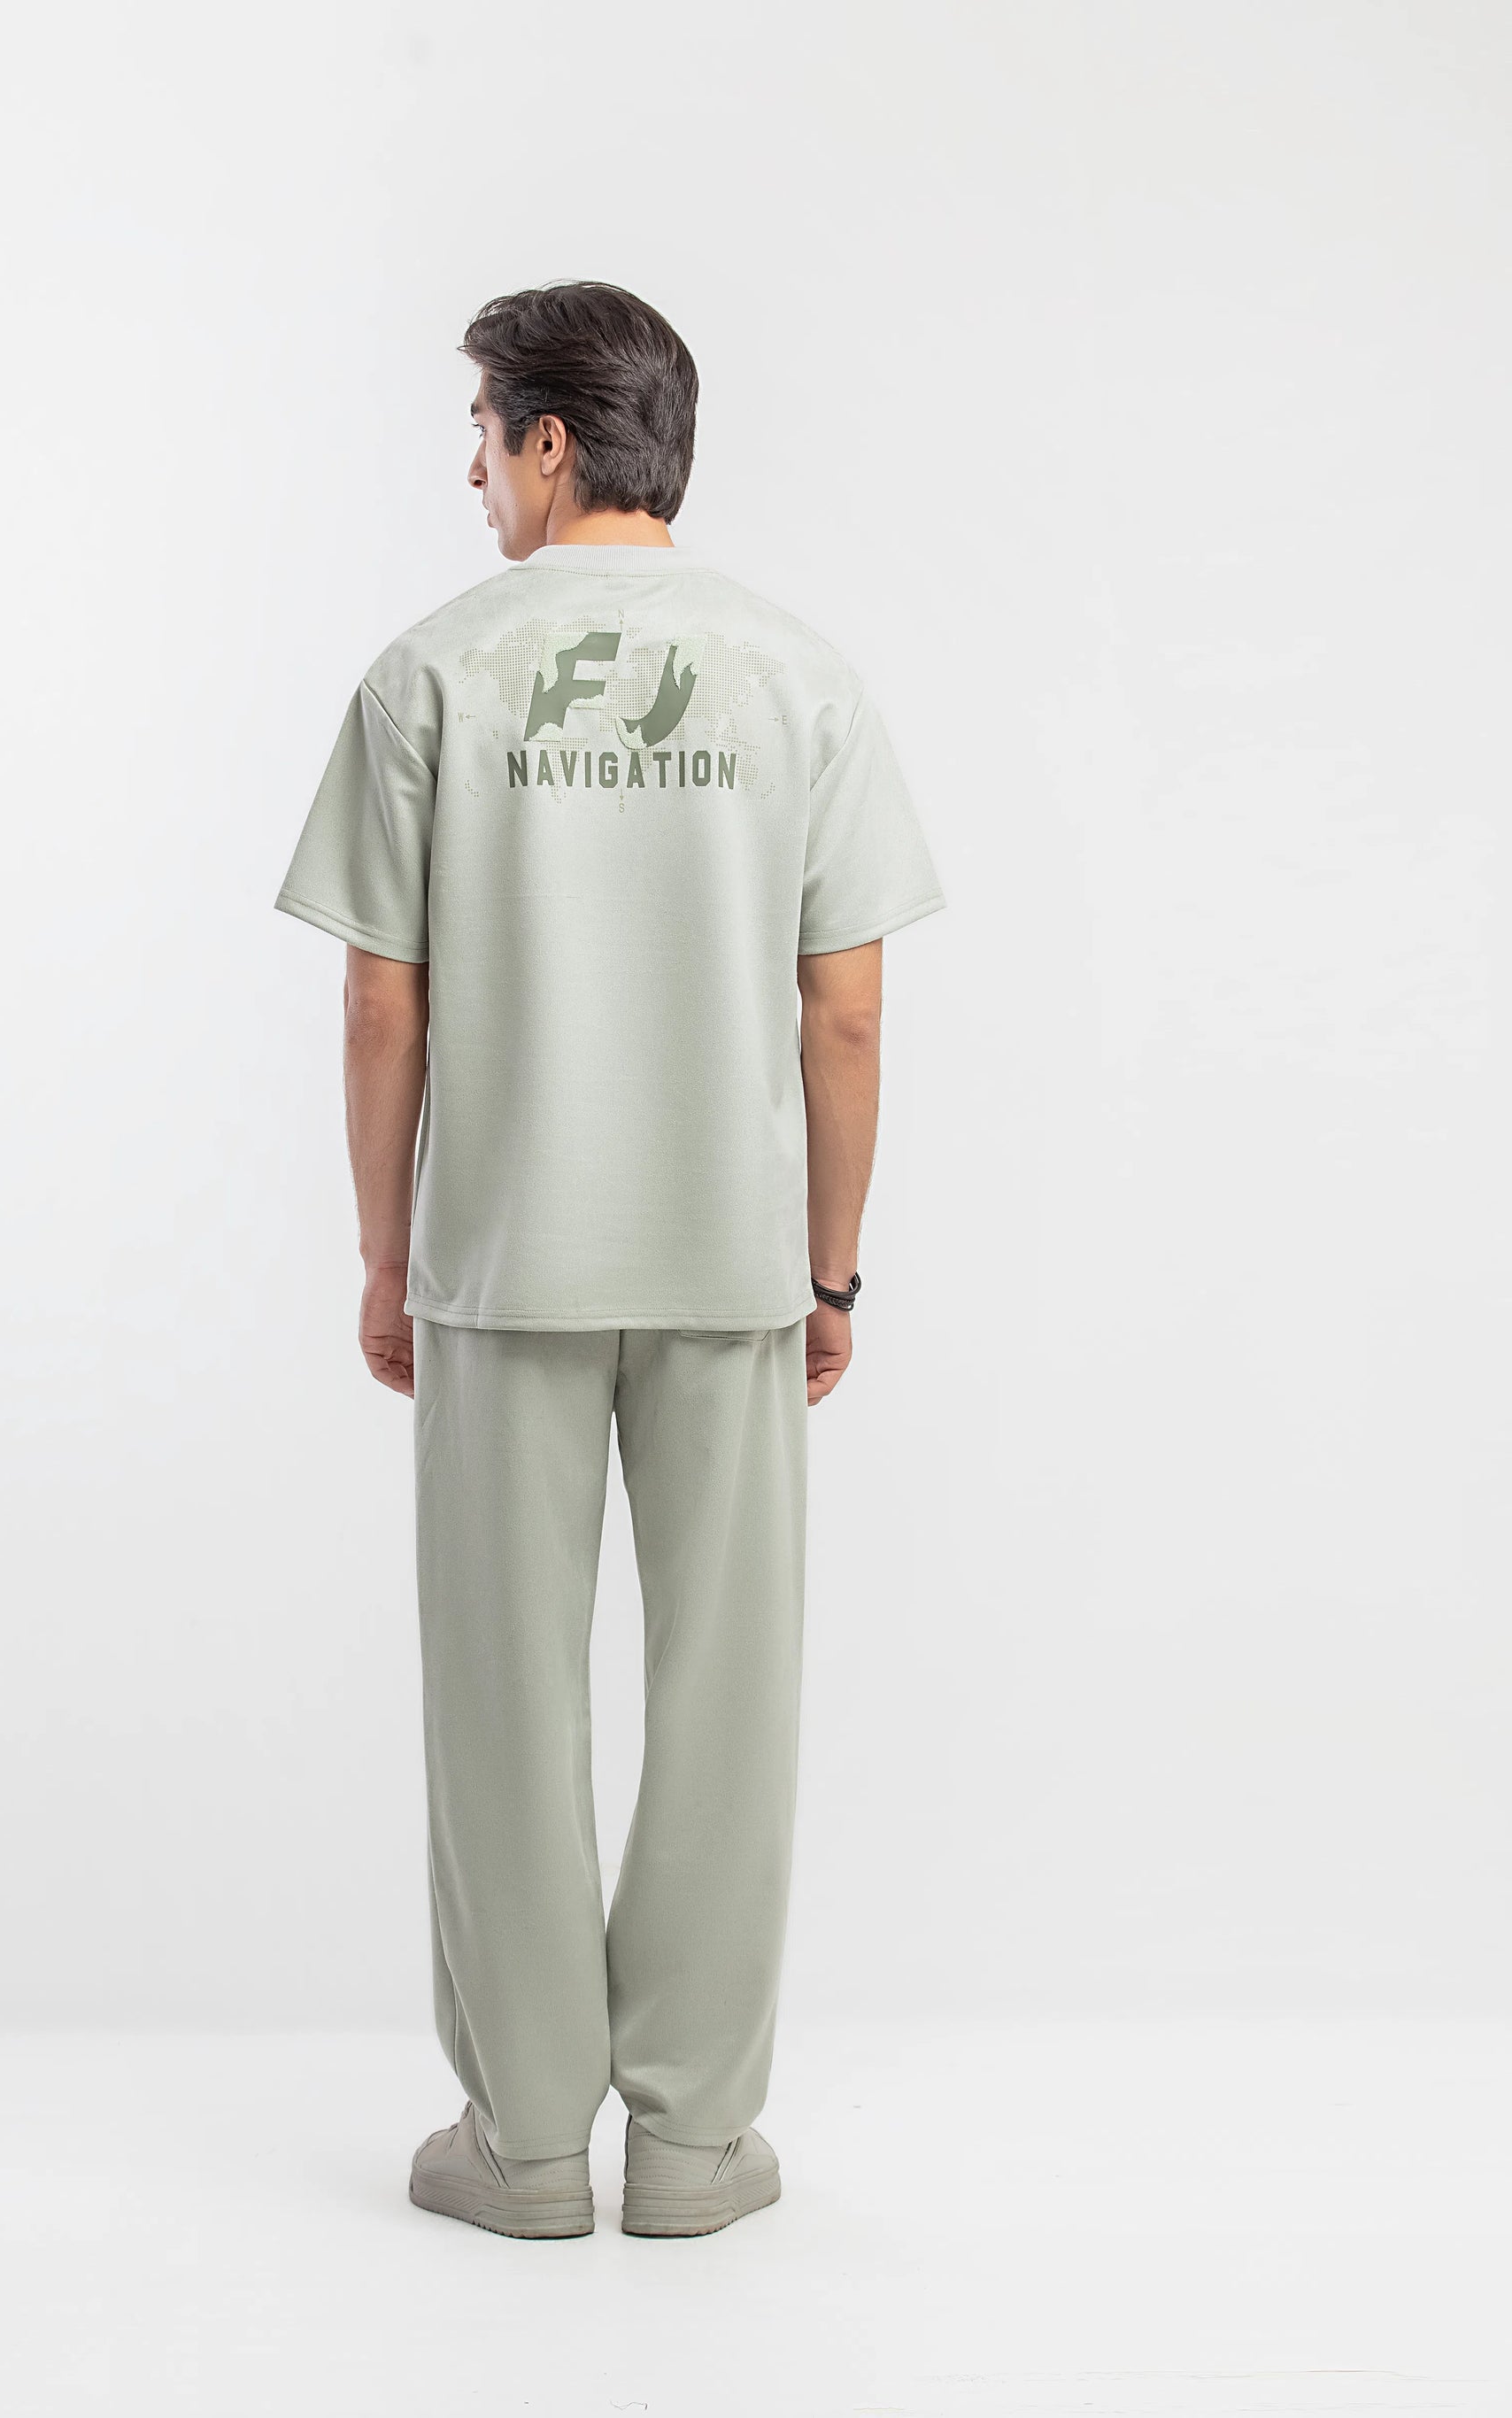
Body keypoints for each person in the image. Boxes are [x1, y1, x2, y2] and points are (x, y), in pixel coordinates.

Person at [274, 282, 944, 2239]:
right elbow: (845, 1013)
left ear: (551, 443)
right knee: (729, 1696)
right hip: (732, 1266)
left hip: (503, 1263)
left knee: (504, 1697)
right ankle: (694, 2144)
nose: (471, 472)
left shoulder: (431, 674)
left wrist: (385, 1261)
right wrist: (830, 1274)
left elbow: (380, 1009)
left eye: (481, 433)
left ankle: (524, 2146)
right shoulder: (800, 676)